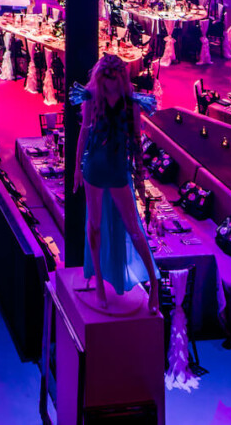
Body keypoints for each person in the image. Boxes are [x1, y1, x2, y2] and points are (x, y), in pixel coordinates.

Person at [71, 54, 160, 308]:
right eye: (106, 79)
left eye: (114, 79)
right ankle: (99, 282)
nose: (110, 84)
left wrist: (140, 178)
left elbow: (136, 143)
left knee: (134, 228)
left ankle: (154, 281)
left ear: (121, 78)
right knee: (95, 224)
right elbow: (84, 133)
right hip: (94, 169)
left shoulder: (131, 104)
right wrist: (77, 167)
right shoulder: (92, 98)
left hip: (119, 169)